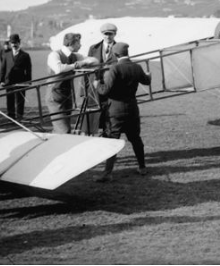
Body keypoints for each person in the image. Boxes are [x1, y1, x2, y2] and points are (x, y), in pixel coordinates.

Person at [93, 42, 151, 181]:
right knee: (135, 138)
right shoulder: (137, 67)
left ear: (115, 54)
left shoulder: (115, 68)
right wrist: (149, 75)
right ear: (127, 53)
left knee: (112, 140)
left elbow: (105, 90)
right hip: (132, 108)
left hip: (115, 110)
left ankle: (107, 173)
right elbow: (146, 81)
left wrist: (97, 85)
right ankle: (142, 167)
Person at [47, 32, 98, 134]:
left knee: (61, 129)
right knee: (64, 130)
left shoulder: (76, 56)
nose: (80, 45)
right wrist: (76, 65)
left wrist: (83, 63)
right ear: (72, 44)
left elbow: (95, 60)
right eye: (78, 43)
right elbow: (59, 69)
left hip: (67, 95)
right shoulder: (55, 54)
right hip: (54, 96)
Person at [0, 34, 32, 121]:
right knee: (10, 100)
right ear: (10, 44)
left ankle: (19, 117)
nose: (14, 45)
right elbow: (3, 68)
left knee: (20, 100)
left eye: (15, 43)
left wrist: (28, 82)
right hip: (9, 81)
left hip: (21, 82)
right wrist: (0, 80)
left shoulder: (25, 55)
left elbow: (28, 70)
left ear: (19, 43)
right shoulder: (6, 55)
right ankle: (11, 117)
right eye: (12, 43)